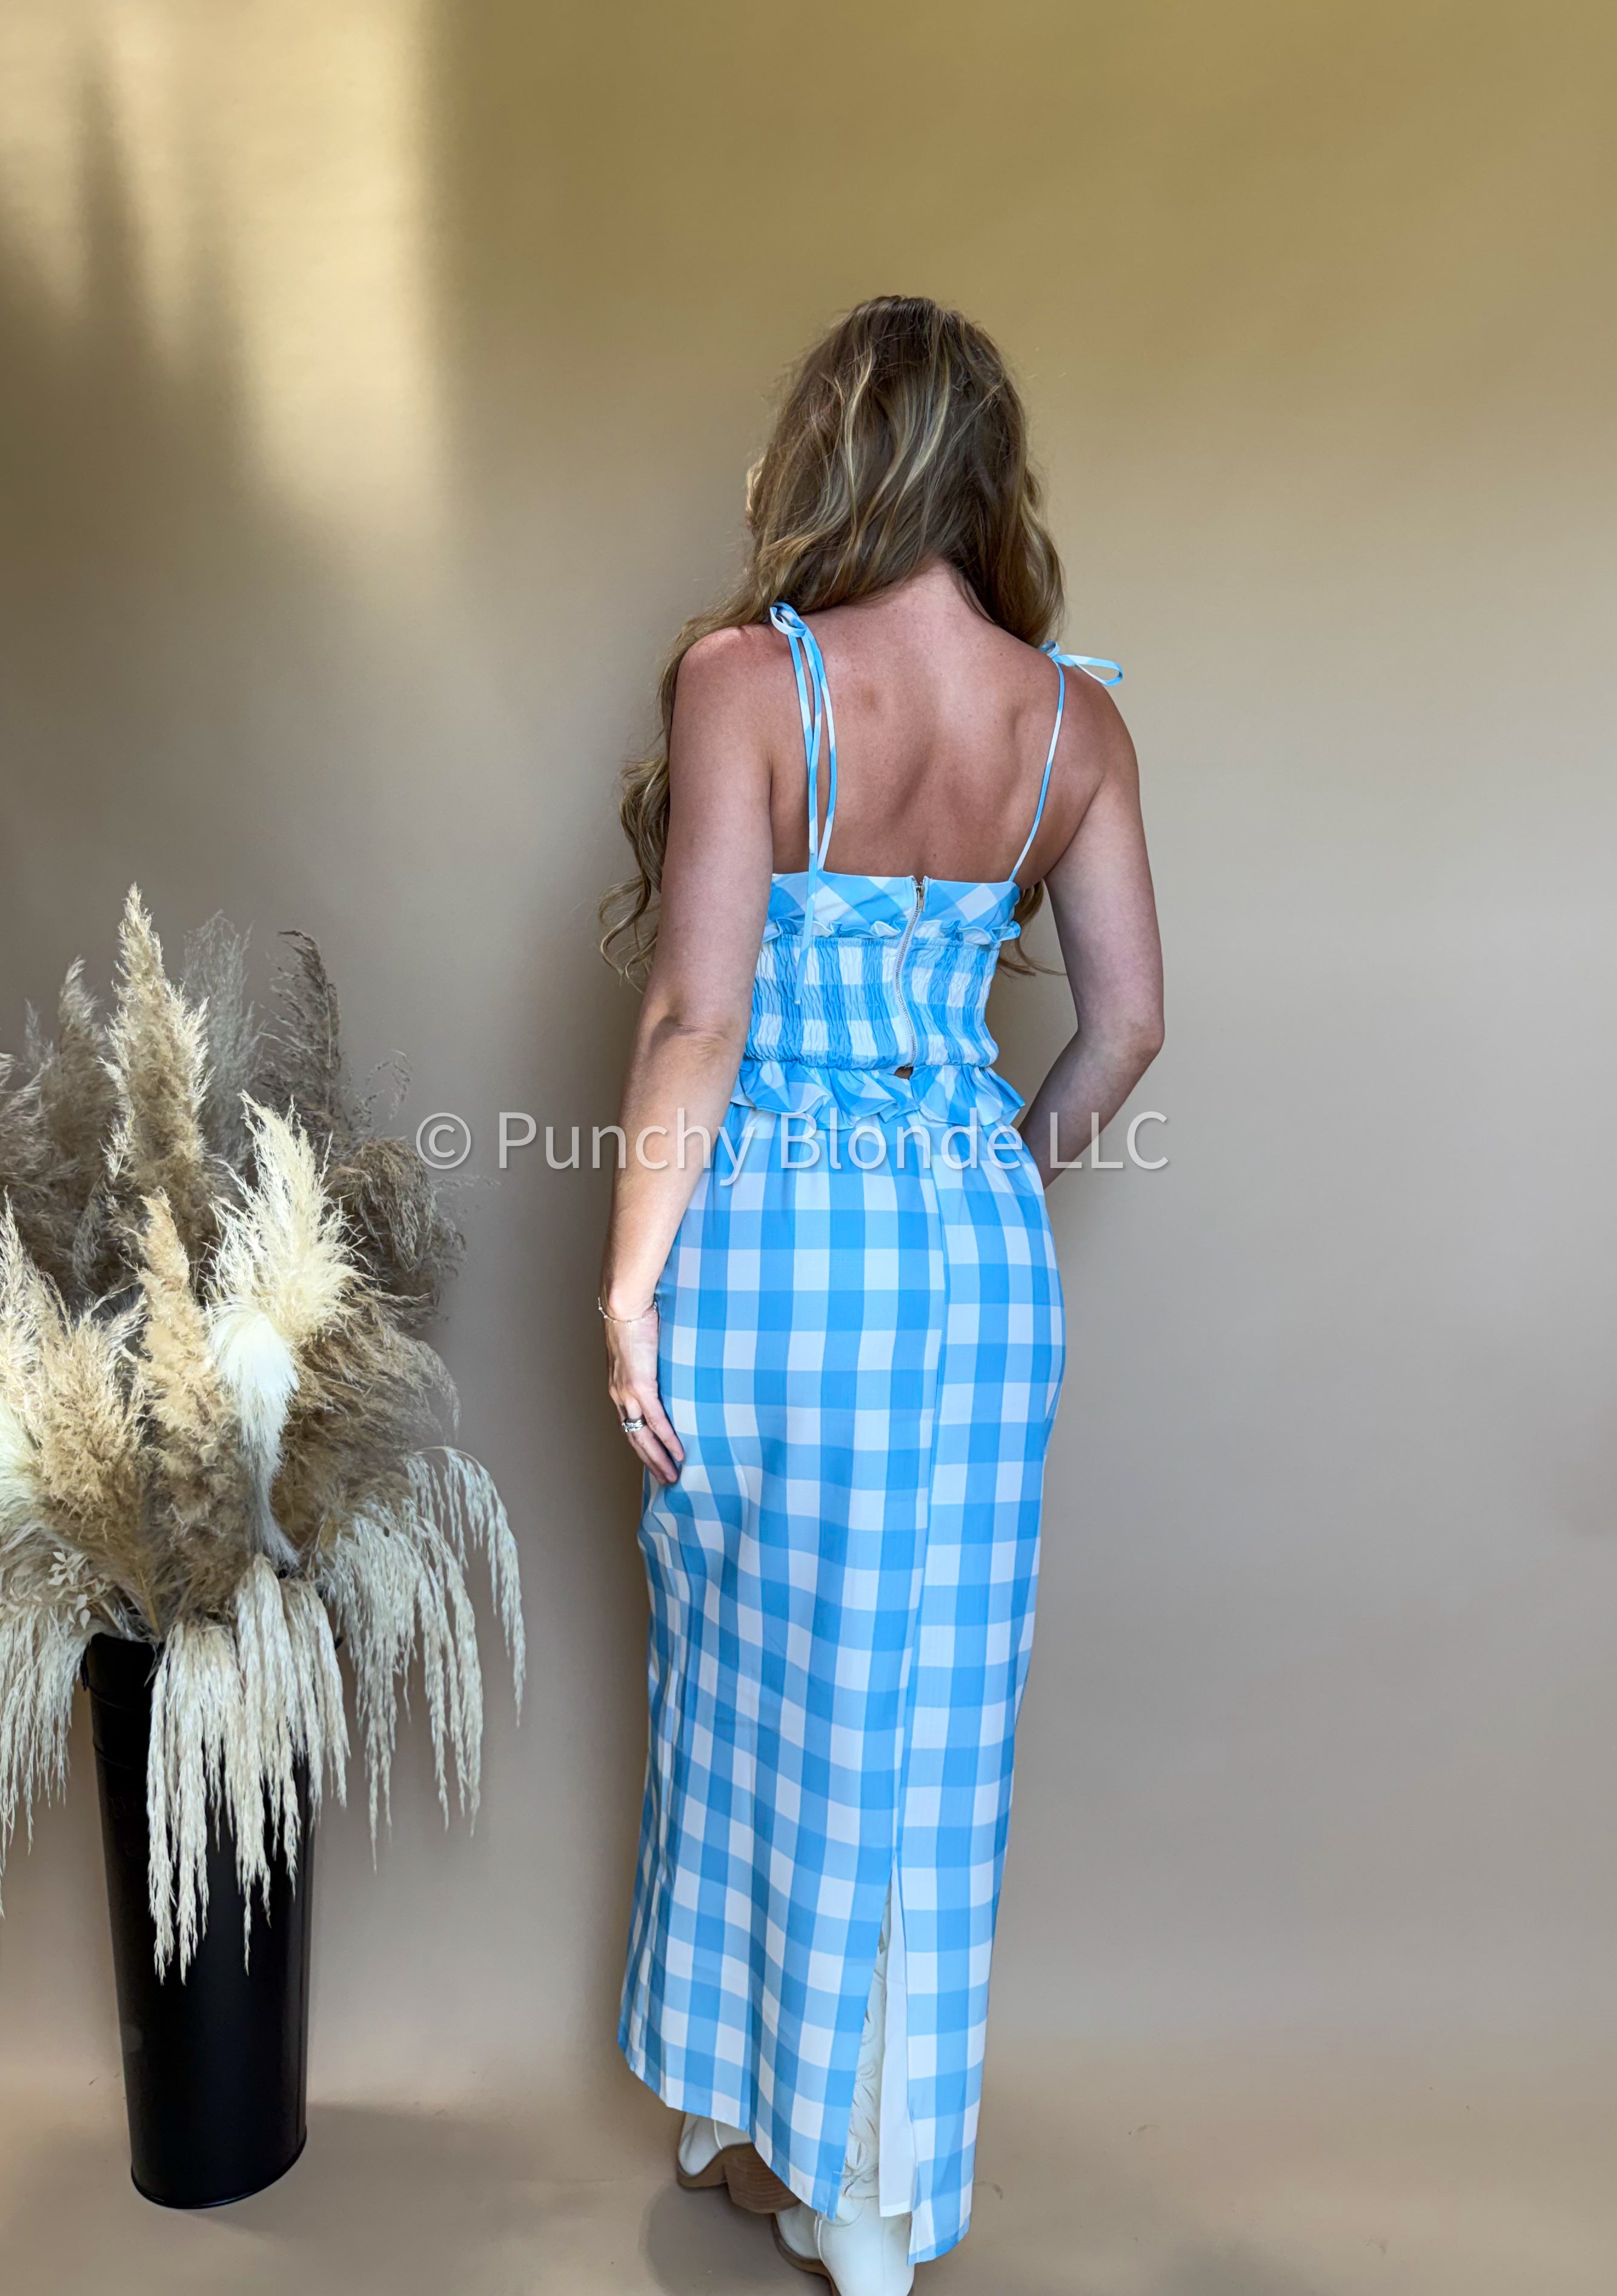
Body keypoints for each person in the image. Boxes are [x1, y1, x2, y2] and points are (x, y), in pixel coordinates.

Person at [597, 296, 1163, 2295]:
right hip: (972, 1271)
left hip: (778, 1243)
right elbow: (1127, 1028)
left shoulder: (748, 681)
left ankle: (772, 2131)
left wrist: (630, 1285)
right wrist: (992, 1174)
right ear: (990, 474)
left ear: (828, 455)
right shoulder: (1072, 721)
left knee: (755, 1687)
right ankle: (864, 2183)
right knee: (927, 1712)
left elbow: (698, 1013)